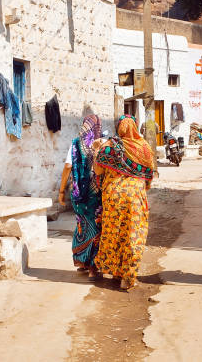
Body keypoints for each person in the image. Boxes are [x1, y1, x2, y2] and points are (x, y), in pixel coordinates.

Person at [92, 115, 154, 291]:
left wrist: (97, 152)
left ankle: (116, 271)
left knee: (114, 233)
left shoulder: (110, 146)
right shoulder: (144, 147)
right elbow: (149, 175)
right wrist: (142, 187)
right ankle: (127, 278)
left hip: (112, 197)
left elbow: (97, 170)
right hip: (134, 197)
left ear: (119, 128)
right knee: (133, 235)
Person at [58, 115, 104, 281]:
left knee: (82, 225)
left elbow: (68, 166)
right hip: (96, 194)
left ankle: (82, 262)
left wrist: (61, 191)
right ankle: (93, 266)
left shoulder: (76, 143)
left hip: (79, 193)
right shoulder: (101, 144)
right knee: (96, 226)